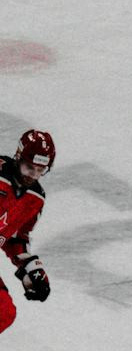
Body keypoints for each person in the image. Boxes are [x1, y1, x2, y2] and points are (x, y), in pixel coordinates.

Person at [0, 130, 55, 338]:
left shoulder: (35, 198)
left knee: (4, 312)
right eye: (29, 167)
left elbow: (16, 237)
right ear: (18, 157)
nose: (32, 175)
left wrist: (30, 269)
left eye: (40, 170)